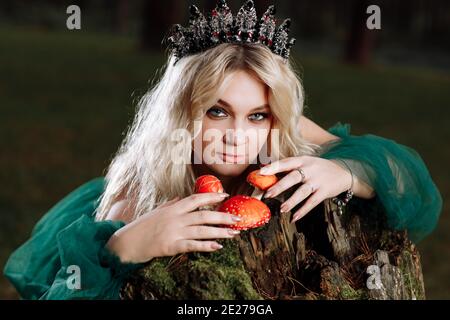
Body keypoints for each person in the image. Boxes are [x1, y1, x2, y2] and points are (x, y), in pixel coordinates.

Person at [4, 0, 442, 300]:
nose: (238, 135)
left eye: (256, 115)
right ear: (182, 114)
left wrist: (349, 170)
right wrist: (121, 248)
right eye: (216, 111)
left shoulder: (275, 130)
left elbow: (414, 187)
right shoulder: (135, 196)